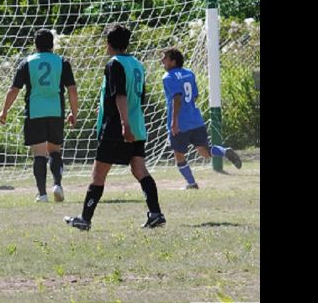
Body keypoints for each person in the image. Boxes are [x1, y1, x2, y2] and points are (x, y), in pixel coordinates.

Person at [65, 24, 164, 231]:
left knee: (98, 175)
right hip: (137, 124)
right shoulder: (137, 64)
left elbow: (121, 95)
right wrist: (104, 108)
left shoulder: (114, 64)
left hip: (118, 127)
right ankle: (155, 213)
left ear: (109, 44)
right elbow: (136, 96)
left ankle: (85, 219)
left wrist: (123, 124)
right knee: (139, 170)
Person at [0, 28, 78, 203]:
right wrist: (74, 112)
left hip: (35, 112)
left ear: (35, 45)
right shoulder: (62, 62)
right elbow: (72, 90)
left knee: (39, 154)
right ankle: (57, 184)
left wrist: (4, 110)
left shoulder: (27, 62)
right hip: (56, 112)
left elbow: (14, 90)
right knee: (55, 150)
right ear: (52, 44)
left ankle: (42, 194)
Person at [161, 48, 242, 189]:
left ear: (173, 62)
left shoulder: (168, 77)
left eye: (164, 58)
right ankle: (223, 151)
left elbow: (177, 98)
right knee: (204, 152)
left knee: (179, 155)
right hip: (196, 119)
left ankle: (191, 183)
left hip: (181, 124)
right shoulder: (189, 73)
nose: (162, 61)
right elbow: (195, 95)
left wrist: (174, 122)